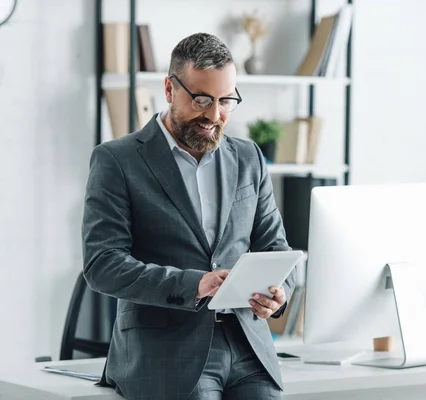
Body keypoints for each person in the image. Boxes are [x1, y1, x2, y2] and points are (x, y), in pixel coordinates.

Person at [82, 32, 295, 400]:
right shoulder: (117, 160)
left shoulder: (248, 157)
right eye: (201, 99)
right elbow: (103, 264)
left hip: (249, 347)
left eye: (226, 101)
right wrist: (195, 284)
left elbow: (275, 247)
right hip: (167, 350)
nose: (214, 115)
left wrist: (279, 295)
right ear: (169, 89)